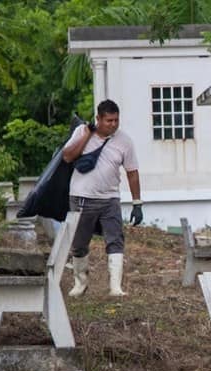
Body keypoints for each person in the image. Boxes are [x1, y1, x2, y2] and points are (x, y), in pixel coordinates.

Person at [61, 99, 143, 297]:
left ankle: (115, 287)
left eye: (116, 120)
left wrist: (137, 203)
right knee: (79, 244)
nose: (113, 124)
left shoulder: (125, 141)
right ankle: (81, 283)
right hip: (81, 197)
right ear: (98, 119)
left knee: (115, 240)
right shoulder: (82, 132)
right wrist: (88, 134)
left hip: (110, 199)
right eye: (108, 121)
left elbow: (132, 172)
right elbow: (67, 156)